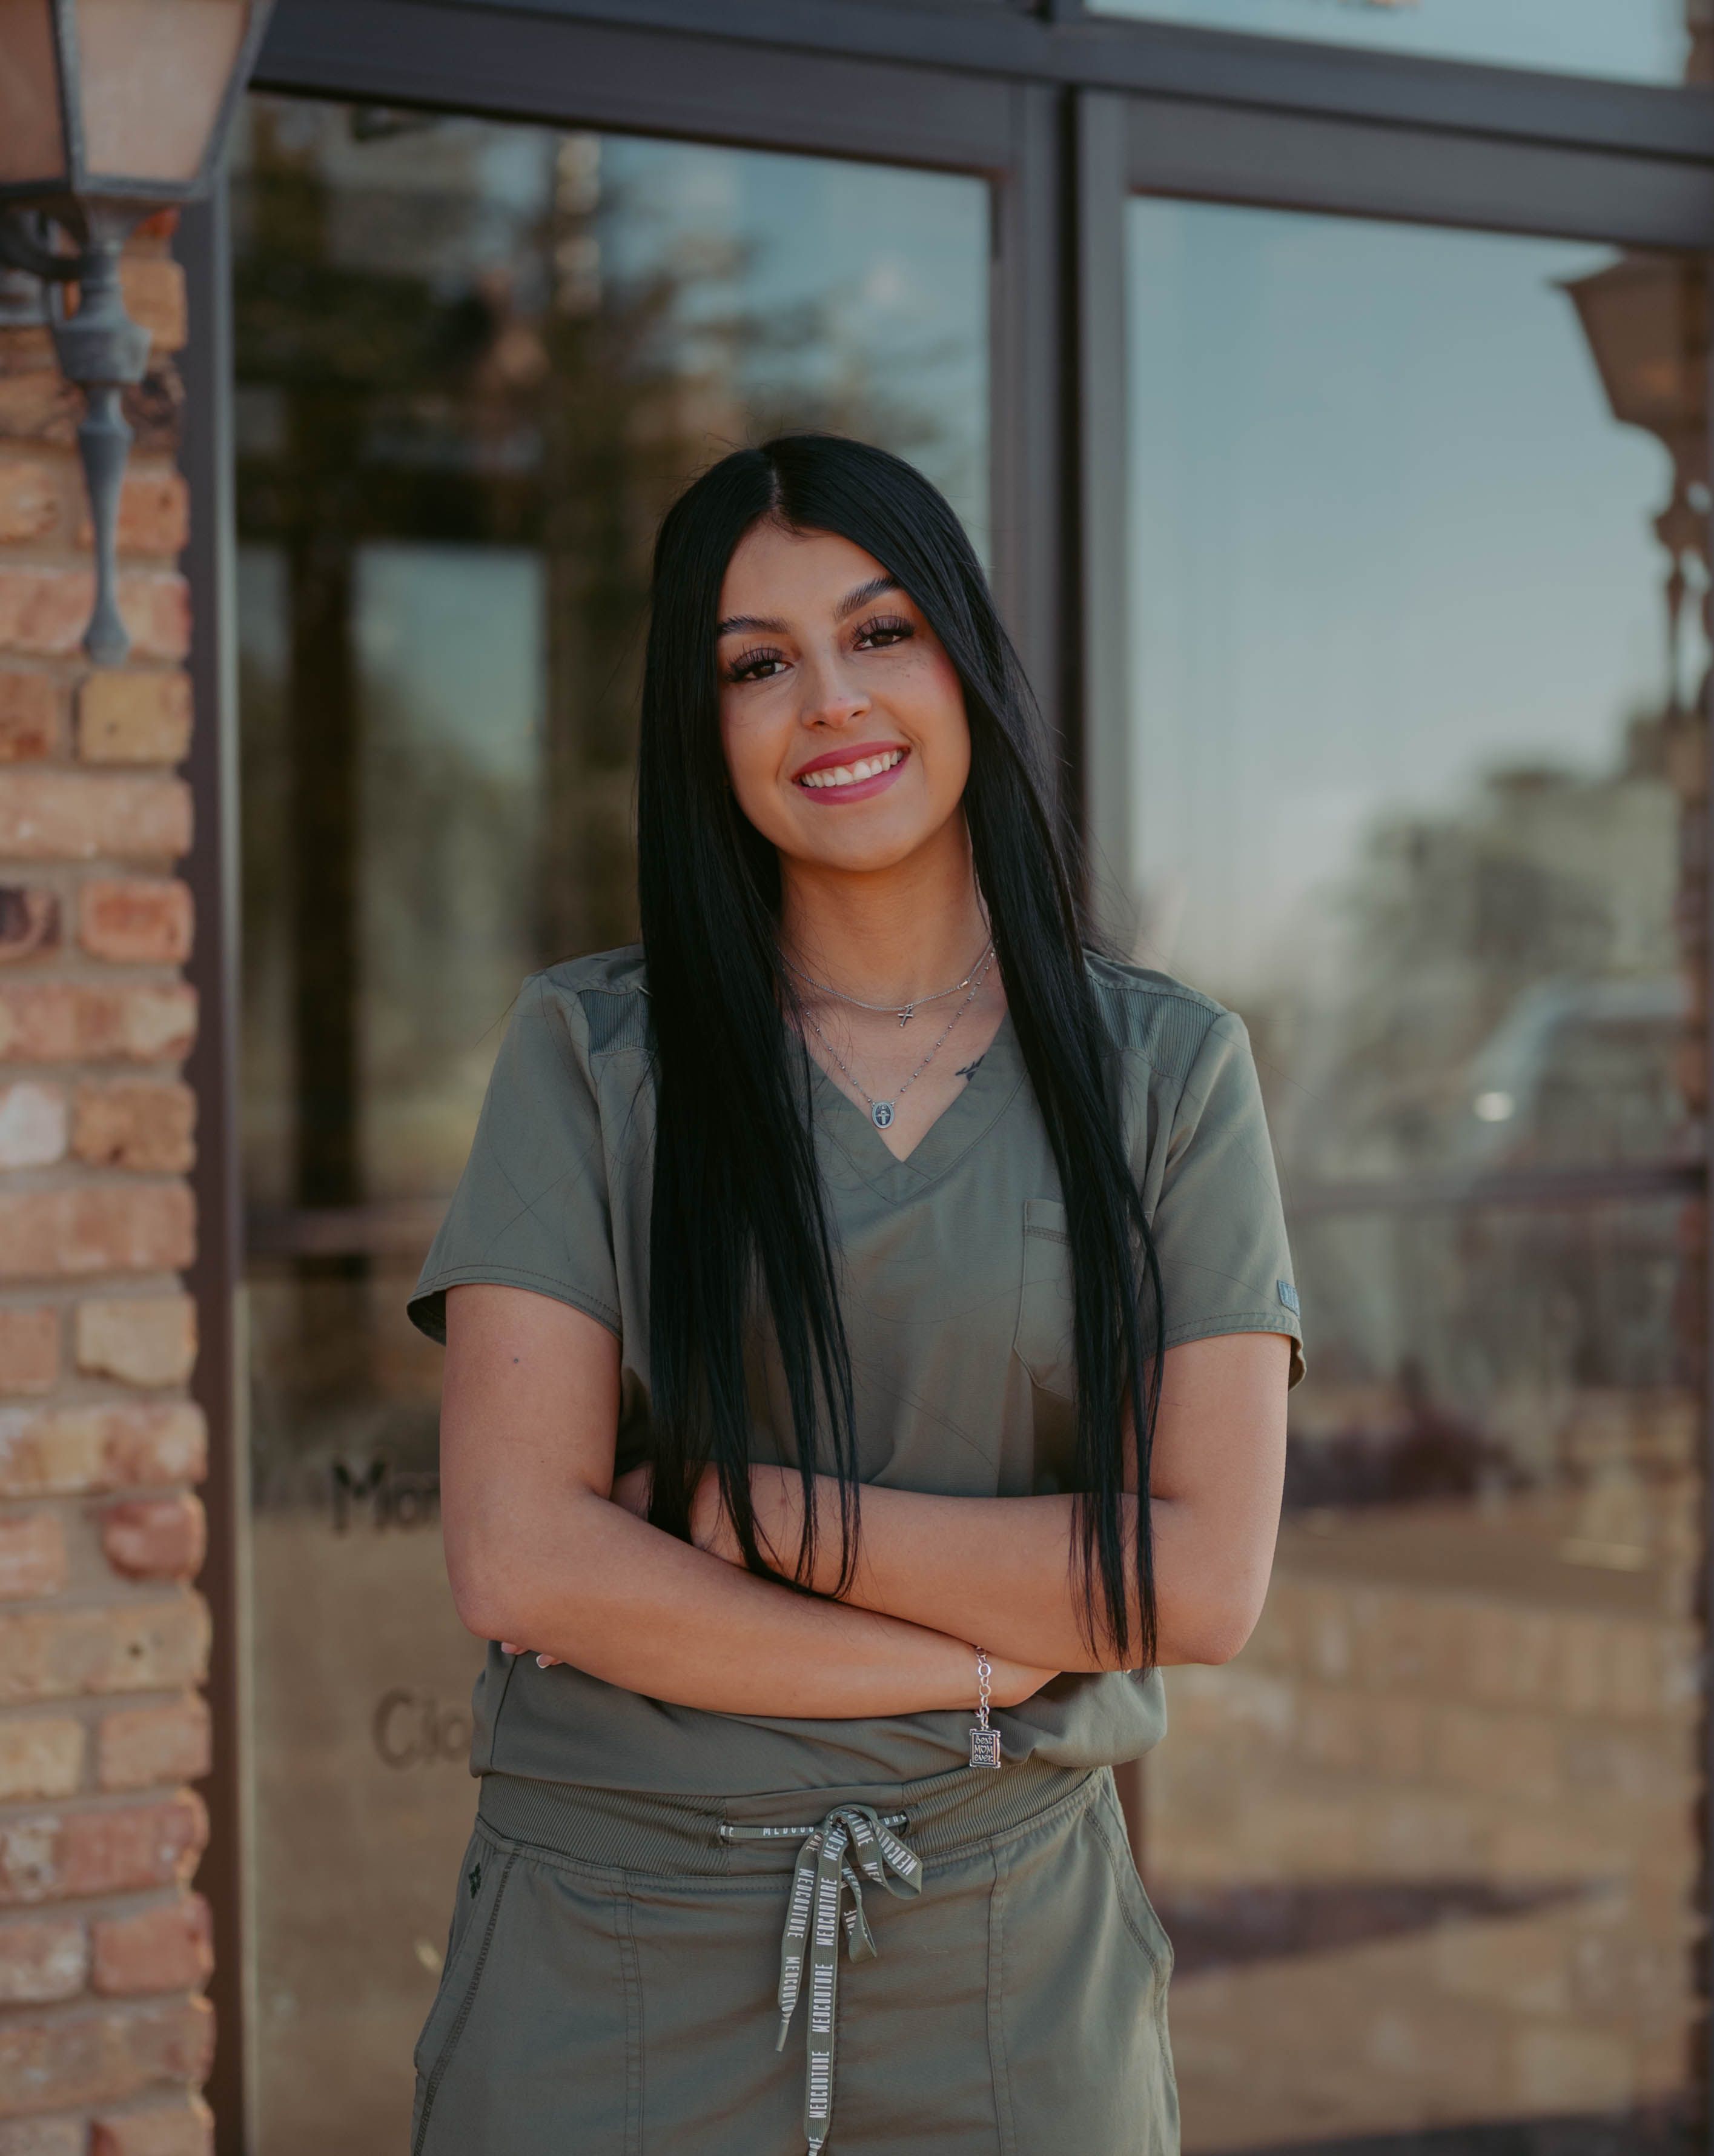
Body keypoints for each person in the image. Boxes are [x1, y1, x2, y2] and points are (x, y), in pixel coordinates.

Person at [404, 433, 1303, 2155]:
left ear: (963, 660)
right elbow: (519, 1555)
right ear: (703, 726)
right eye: (759, 664)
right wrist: (984, 1669)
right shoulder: (592, 1057)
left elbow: (1198, 1575)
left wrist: (757, 1519)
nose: (831, 700)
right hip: (611, 1964)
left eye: (881, 633)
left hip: (1008, 1976)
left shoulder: (1168, 1075)